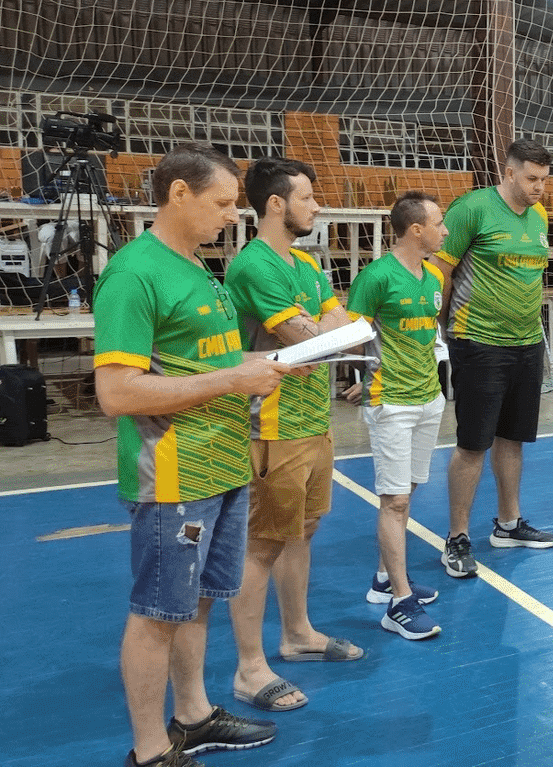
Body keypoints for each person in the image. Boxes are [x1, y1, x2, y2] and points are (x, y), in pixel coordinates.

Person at [94, 143, 289, 767]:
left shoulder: (196, 267)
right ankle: (150, 751)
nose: (233, 215)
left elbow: (200, 363)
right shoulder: (135, 273)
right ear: (179, 195)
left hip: (223, 463)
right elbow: (116, 391)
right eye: (223, 203)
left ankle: (194, 714)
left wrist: (258, 365)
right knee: (156, 612)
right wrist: (233, 381)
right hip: (174, 473)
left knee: (200, 598)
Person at [224, 157, 369, 715]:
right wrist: (330, 331)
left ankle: (298, 634)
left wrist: (330, 331)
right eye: (307, 197)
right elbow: (307, 337)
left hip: (314, 419)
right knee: (262, 545)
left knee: (302, 533)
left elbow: (344, 325)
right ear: (277, 204)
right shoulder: (255, 265)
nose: (317, 206)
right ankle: (249, 668)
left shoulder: (307, 264)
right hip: (272, 424)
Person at [435, 139, 553, 577]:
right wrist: (437, 329)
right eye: (531, 178)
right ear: (508, 173)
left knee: (513, 438)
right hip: (478, 342)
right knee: (473, 444)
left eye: (544, 179)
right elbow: (441, 270)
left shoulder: (540, 215)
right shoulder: (472, 209)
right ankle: (457, 537)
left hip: (527, 344)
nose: (539, 187)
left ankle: (508, 523)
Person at [346, 192, 449, 639]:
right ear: (416, 230)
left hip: (429, 398)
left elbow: (429, 337)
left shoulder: (432, 277)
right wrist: (360, 377)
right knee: (395, 501)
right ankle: (399, 603)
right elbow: (351, 337)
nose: (446, 231)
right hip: (392, 402)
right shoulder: (376, 277)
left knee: (408, 489)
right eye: (440, 223)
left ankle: (384, 577)